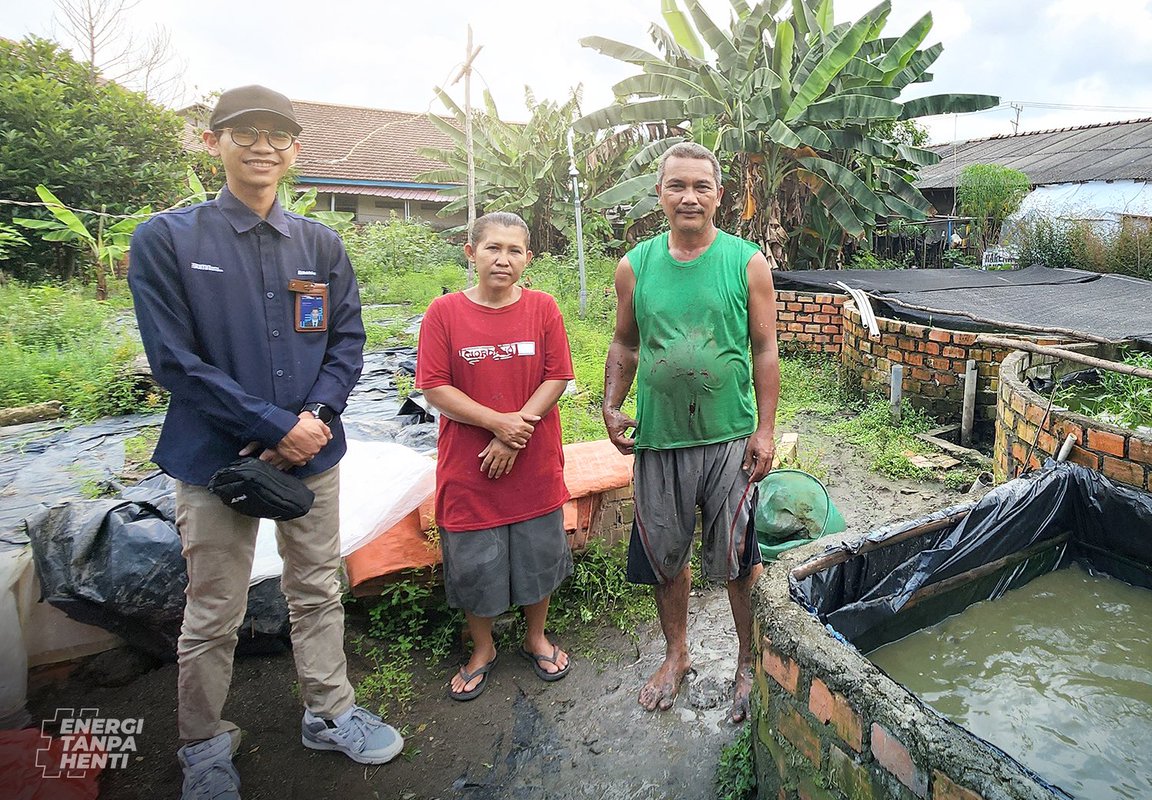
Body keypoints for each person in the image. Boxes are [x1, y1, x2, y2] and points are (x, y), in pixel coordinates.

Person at [128, 85, 403, 800]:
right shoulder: (168, 239)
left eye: (277, 134)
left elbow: (346, 341)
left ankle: (329, 711)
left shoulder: (319, 244)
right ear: (212, 142)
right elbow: (174, 361)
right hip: (214, 460)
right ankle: (203, 742)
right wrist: (271, 426)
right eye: (243, 131)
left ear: (295, 152)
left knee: (315, 588)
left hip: (315, 454)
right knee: (213, 606)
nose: (261, 145)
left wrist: (311, 418)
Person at [602, 141, 780, 723]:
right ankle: (677, 655)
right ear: (660, 194)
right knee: (665, 558)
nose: (689, 196)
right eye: (677, 185)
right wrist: (610, 404)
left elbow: (764, 348)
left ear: (718, 196)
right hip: (660, 441)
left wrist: (766, 430)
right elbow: (625, 343)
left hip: (730, 438)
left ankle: (747, 663)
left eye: (701, 186)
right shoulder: (636, 265)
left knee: (736, 559)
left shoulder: (746, 261)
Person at [415, 211, 575, 701]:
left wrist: (511, 433)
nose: (502, 259)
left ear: (528, 259)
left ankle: (535, 637)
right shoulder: (443, 313)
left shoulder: (543, 308)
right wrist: (495, 423)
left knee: (537, 554)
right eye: (492, 248)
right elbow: (435, 387)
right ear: (471, 253)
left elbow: (558, 377)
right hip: (470, 465)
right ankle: (482, 647)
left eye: (513, 251)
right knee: (473, 560)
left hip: (532, 460)